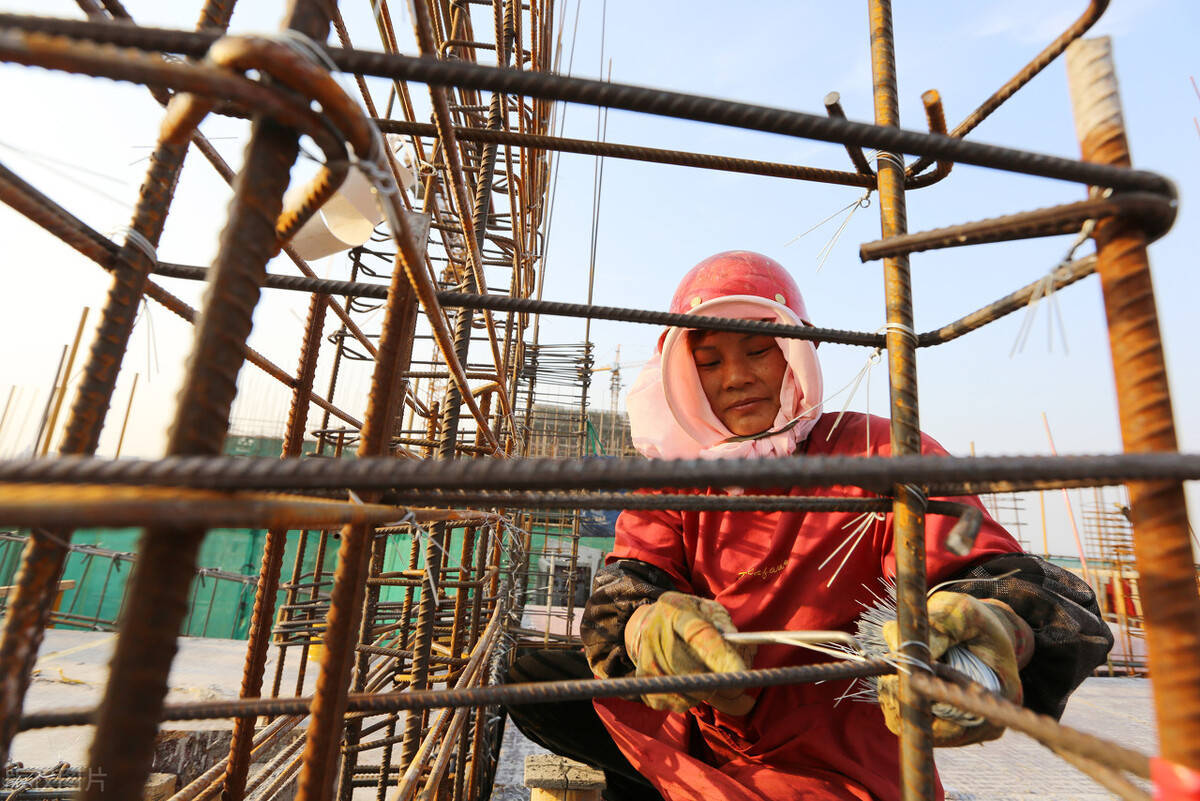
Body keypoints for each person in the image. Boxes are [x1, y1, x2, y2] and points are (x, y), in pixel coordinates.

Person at [505, 251, 1112, 801]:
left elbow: (980, 560)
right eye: (709, 361)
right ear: (685, 377)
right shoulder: (676, 478)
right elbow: (626, 585)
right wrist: (645, 628)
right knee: (534, 677)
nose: (735, 377)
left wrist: (995, 620)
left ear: (796, 353)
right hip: (718, 722)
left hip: (852, 742)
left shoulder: (878, 452)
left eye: (758, 349)